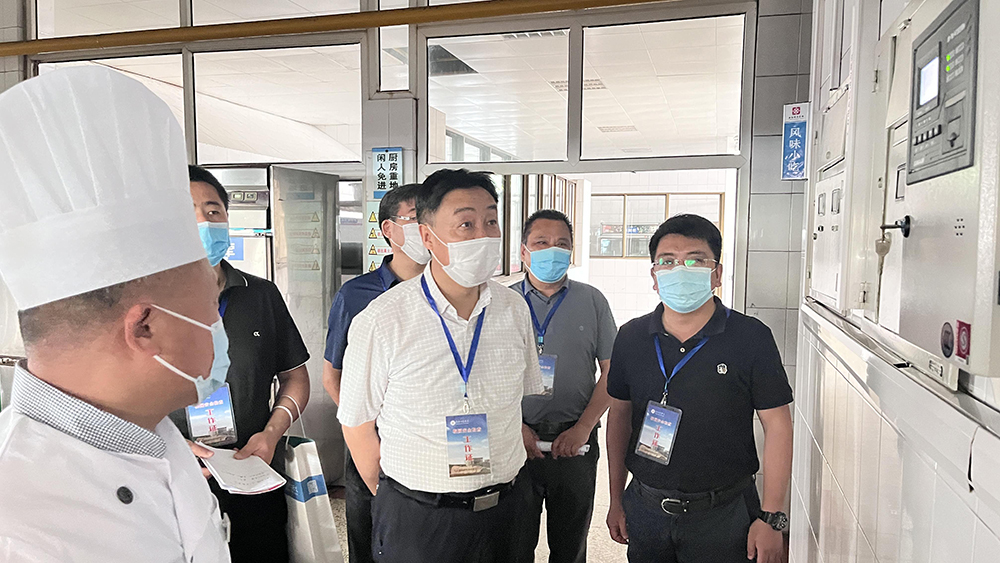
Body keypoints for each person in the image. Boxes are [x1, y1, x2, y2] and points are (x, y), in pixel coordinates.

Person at [0, 67, 230, 562]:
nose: (219, 326)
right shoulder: (17, 525)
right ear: (145, 327)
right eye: (212, 308)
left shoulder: (154, 434)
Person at [338, 169, 543, 563]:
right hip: (421, 520)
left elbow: (515, 404)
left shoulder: (514, 309)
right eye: (466, 224)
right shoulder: (382, 319)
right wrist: (398, 498)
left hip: (508, 512)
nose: (483, 235)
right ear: (428, 237)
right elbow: (357, 423)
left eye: (491, 221)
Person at [604, 214, 793, 563]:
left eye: (695, 260)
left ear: (716, 274)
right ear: (654, 276)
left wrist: (772, 517)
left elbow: (778, 425)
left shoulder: (751, 337)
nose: (680, 269)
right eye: (667, 261)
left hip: (725, 513)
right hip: (647, 508)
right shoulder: (631, 337)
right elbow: (619, 419)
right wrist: (616, 499)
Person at [170, 165, 312, 563]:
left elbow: (295, 377)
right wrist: (170, 448)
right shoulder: (140, 303)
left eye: (213, 211)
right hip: (174, 478)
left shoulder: (260, 295)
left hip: (253, 471)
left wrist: (271, 434)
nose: (203, 221)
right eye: (187, 211)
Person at [321, 183, 429, 563]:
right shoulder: (357, 295)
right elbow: (332, 375)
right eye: (415, 219)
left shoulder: (447, 292)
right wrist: (366, 430)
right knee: (369, 542)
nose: (426, 228)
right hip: (370, 446)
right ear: (388, 229)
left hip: (425, 445)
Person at [513, 210, 617, 563]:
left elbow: (612, 371)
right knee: (513, 544)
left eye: (562, 244)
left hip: (576, 444)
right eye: (541, 242)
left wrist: (583, 428)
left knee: (570, 547)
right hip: (515, 441)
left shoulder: (592, 301)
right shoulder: (502, 302)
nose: (552, 251)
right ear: (524, 251)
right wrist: (515, 427)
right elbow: (481, 377)